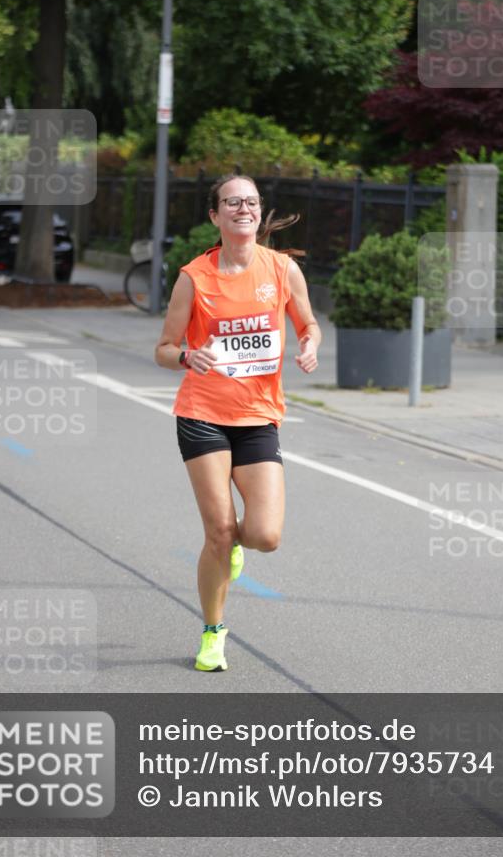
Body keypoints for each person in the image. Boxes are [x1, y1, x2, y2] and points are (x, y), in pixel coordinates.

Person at [155, 174, 321, 671]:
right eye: (232, 203)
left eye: (250, 202)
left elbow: (309, 324)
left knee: (266, 535)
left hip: (258, 418)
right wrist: (188, 356)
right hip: (202, 414)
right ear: (215, 215)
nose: (243, 209)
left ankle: (233, 548)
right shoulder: (195, 277)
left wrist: (311, 344)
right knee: (219, 531)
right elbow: (163, 348)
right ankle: (213, 632)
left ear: (259, 211)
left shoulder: (283, 269)